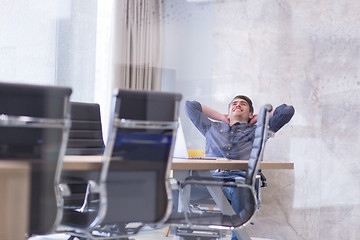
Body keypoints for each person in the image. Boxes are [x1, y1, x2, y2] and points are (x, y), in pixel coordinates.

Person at [184, 95, 295, 240]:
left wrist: (257, 118)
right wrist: (222, 117)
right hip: (209, 182)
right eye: (234, 104)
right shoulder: (212, 127)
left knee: (239, 188)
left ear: (250, 114)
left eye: (243, 104)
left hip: (236, 183)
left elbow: (287, 111)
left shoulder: (258, 131)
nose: (238, 105)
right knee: (178, 187)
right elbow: (190, 105)